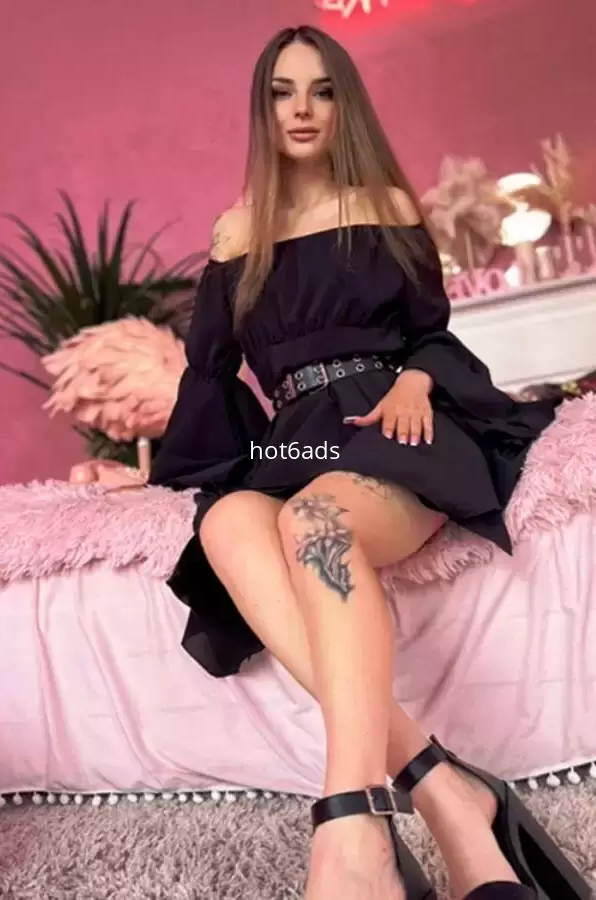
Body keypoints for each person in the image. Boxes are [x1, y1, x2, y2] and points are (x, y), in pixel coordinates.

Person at [149, 25, 591, 900]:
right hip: (301, 440)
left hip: (396, 418)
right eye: (282, 91)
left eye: (321, 90)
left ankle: (352, 822)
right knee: (230, 522)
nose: (302, 109)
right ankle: (447, 792)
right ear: (262, 109)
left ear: (343, 103)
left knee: (313, 522)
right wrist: (160, 470)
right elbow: (210, 376)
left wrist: (420, 381)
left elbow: (432, 332)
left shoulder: (385, 203)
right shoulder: (237, 233)